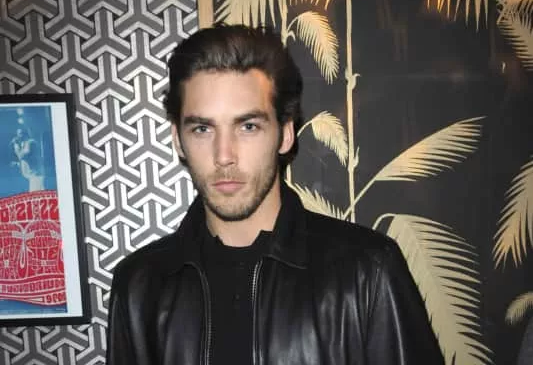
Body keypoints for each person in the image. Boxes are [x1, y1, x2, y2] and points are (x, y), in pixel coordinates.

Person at [106, 23, 444, 365]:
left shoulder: (368, 272)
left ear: (285, 134)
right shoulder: (138, 287)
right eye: (203, 128)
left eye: (248, 126)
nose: (224, 155)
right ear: (178, 140)